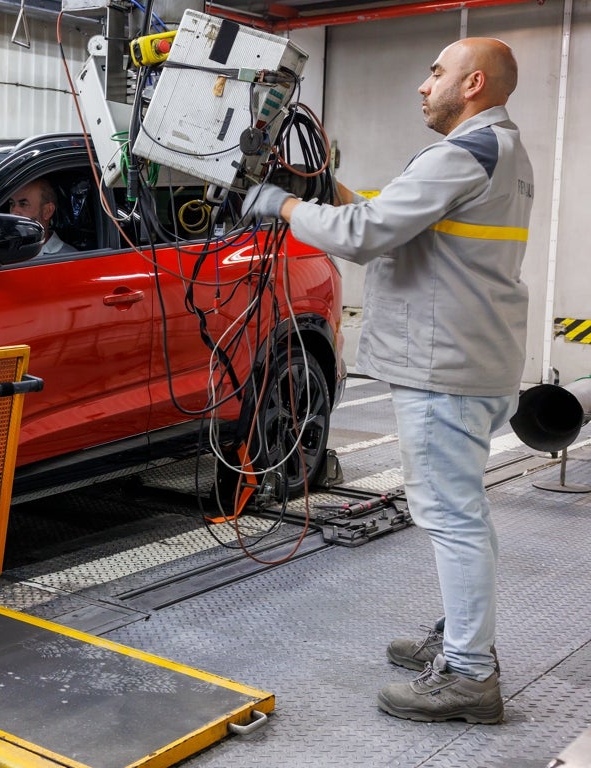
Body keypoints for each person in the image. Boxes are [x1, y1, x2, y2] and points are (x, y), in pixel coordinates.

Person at [244, 37, 534, 724]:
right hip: (474, 356)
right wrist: (321, 190)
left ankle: (469, 674)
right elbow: (392, 214)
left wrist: (278, 205)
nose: (423, 85)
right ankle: (463, 638)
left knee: (451, 516)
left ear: (473, 83)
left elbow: (367, 233)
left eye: (436, 72)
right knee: (463, 512)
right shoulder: (498, 151)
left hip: (444, 365)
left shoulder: (464, 152)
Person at [7, 178, 76, 255]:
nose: (13, 212)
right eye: (12, 203)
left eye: (23, 204)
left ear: (47, 211)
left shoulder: (69, 257)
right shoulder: (5, 249)